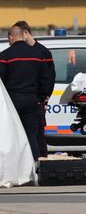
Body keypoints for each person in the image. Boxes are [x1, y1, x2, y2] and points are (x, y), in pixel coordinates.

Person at [0, 26, 54, 161]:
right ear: (23, 36)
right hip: (32, 101)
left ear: (10, 37)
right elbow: (45, 79)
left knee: (12, 138)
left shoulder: (4, 56)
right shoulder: (37, 55)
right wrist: (40, 97)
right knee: (32, 136)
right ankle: (35, 170)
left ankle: (16, 170)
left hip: (12, 102)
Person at [13, 21, 56, 158]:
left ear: (25, 33)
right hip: (29, 99)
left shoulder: (42, 52)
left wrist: (44, 97)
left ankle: (40, 161)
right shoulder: (26, 52)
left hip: (37, 100)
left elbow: (50, 77)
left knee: (37, 133)